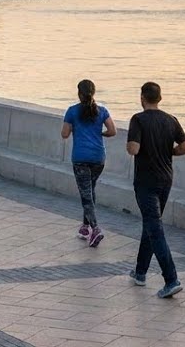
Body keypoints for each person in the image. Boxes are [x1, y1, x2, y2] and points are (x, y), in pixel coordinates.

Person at [126, 81, 185, 299]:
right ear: (160, 98)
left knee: (155, 228)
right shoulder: (171, 120)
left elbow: (133, 149)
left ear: (142, 97)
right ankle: (140, 272)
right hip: (166, 179)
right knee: (151, 223)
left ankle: (171, 279)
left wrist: (137, 146)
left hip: (146, 180)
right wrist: (167, 151)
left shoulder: (138, 119)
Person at [61, 79, 116, 247]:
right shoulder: (102, 111)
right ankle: (85, 227)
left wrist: (75, 130)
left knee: (86, 195)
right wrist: (100, 135)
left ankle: (95, 229)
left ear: (79, 93)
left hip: (81, 158)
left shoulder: (72, 111)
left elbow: (64, 134)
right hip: (98, 158)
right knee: (89, 191)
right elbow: (112, 131)